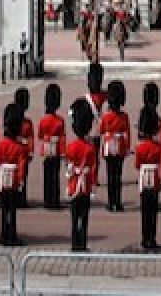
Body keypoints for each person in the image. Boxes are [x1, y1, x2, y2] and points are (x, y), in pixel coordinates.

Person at [64, 98, 98, 252]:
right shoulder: (90, 148)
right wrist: (92, 187)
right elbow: (91, 169)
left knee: (73, 216)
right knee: (83, 217)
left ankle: (74, 242)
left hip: (73, 183)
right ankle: (82, 243)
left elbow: (68, 166)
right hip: (84, 186)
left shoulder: (70, 146)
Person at [0, 103, 28, 246]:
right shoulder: (20, 147)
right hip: (14, 179)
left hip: (4, 177)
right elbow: (21, 167)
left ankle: (4, 233)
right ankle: (11, 235)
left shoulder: (1, 143)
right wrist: (21, 181)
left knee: (4, 207)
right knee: (12, 210)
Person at [134, 104, 161, 250]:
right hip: (155, 178)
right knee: (153, 211)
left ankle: (144, 238)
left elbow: (137, 164)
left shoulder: (139, 147)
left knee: (145, 210)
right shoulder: (158, 147)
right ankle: (152, 238)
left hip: (144, 177)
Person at [99, 81, 130, 212]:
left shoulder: (106, 117)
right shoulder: (124, 116)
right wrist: (127, 148)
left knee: (110, 175)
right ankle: (118, 202)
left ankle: (111, 202)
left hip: (108, 146)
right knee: (118, 176)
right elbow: (127, 133)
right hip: (120, 146)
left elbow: (101, 130)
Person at [39, 84, 65, 209]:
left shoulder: (43, 120)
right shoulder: (60, 120)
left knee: (47, 175)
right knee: (55, 175)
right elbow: (62, 137)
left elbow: (40, 135)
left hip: (46, 148)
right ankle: (55, 200)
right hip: (56, 149)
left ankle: (47, 200)